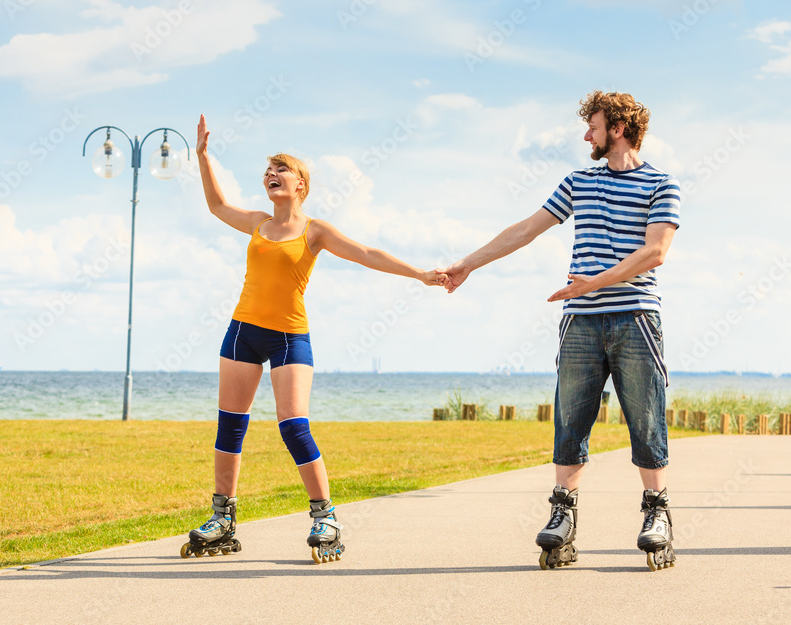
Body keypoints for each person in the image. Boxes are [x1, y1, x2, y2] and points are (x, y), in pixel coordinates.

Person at [181, 114, 444, 564]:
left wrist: (418, 273)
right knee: (230, 424)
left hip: (289, 337)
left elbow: (366, 253)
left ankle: (325, 517)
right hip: (242, 332)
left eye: (281, 169)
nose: (272, 175)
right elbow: (216, 206)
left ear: (300, 183)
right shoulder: (259, 223)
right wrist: (203, 155)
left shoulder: (314, 230)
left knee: (293, 425)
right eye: (268, 170)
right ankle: (222, 517)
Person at [437, 91, 681, 572]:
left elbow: (655, 253)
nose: (585, 134)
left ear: (616, 128)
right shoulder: (578, 181)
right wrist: (467, 264)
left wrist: (594, 282)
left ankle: (657, 517)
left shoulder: (661, 183)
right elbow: (526, 229)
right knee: (571, 419)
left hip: (636, 317)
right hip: (581, 323)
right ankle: (563, 517)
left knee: (647, 419)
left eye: (592, 125)